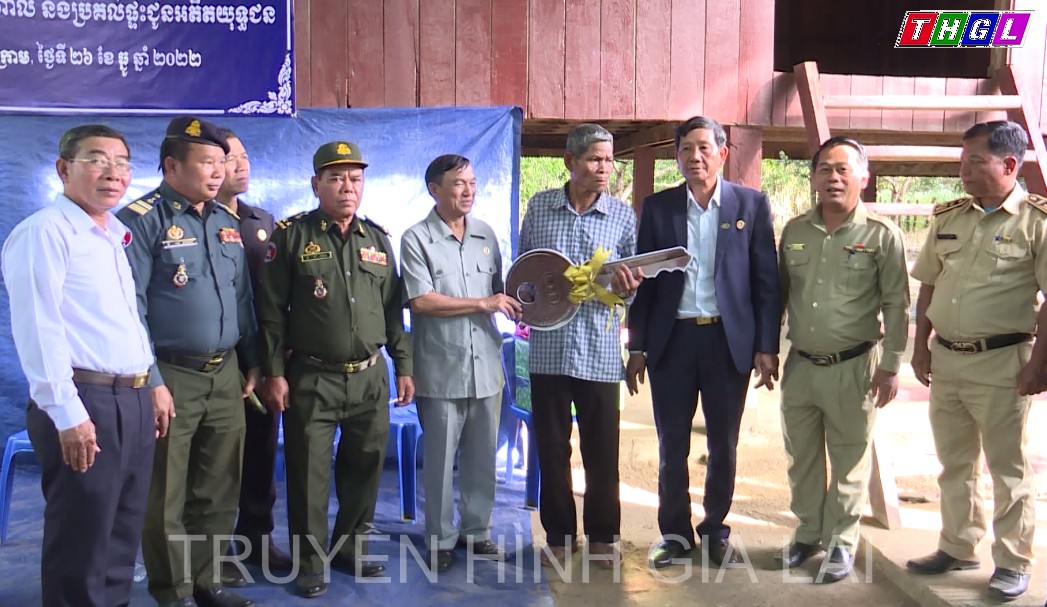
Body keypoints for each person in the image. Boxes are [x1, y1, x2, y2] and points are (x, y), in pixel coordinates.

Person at [2, 125, 154, 607]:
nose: (113, 173)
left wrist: (150, 384)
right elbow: (39, 330)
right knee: (81, 540)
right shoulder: (45, 233)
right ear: (64, 169)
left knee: (120, 535)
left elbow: (124, 322)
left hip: (131, 399)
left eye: (123, 162)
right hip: (84, 402)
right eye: (97, 160)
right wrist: (67, 415)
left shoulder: (113, 235)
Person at [256, 141, 414, 599]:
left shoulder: (378, 239)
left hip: (369, 375)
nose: (348, 187)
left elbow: (392, 314)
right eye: (336, 178)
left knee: (364, 469)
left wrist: (403, 366)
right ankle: (309, 564)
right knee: (309, 476)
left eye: (355, 178)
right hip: (312, 377)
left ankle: (350, 549)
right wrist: (273, 373)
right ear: (316, 184)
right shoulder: (291, 236)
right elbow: (271, 313)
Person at [626, 115, 781, 569]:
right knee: (671, 442)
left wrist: (766, 345)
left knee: (723, 443)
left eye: (704, 148)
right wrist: (637, 346)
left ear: (722, 153)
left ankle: (715, 530)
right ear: (676, 156)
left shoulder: (750, 206)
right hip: (671, 342)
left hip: (727, 342)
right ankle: (674, 535)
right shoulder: (659, 208)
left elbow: (765, 282)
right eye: (686, 150)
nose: (695, 157)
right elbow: (645, 283)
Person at [117, 116, 260, 607]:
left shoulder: (226, 223)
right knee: (167, 493)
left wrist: (252, 360)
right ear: (172, 164)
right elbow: (128, 307)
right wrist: (151, 379)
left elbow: (242, 299)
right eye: (206, 162)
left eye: (222, 163)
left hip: (225, 375)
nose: (218, 172)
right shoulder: (142, 220)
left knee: (219, 486)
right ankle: (172, 590)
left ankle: (207, 582)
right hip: (169, 374)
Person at [907, 120, 1044, 600]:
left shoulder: (1037, 222)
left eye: (975, 161)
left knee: (1007, 469)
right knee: (954, 462)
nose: (963, 170)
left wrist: (1038, 364)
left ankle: (1012, 560)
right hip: (948, 361)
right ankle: (959, 545)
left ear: (1010, 165)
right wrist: (921, 344)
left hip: (1003, 363)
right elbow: (928, 284)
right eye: (961, 160)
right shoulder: (948, 218)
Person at [776, 137, 909, 582]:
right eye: (825, 169)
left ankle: (841, 543)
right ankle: (808, 531)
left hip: (856, 367)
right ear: (814, 177)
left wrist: (890, 366)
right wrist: (767, 351)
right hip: (801, 364)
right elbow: (778, 296)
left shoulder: (881, 236)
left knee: (850, 458)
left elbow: (897, 305)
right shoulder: (795, 231)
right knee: (802, 457)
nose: (834, 178)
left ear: (863, 177)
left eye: (843, 170)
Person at [519, 123, 642, 569]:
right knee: (552, 446)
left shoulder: (623, 217)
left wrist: (627, 287)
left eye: (610, 160)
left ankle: (604, 535)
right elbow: (525, 273)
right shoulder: (540, 208)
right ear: (570, 162)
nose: (604, 168)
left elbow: (632, 288)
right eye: (594, 159)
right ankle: (559, 533)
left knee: (601, 449)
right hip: (549, 348)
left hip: (601, 349)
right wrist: (534, 296)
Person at [399, 154, 523, 573]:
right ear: (434, 189)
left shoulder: (486, 235)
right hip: (440, 367)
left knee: (482, 457)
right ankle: (438, 539)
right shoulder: (416, 239)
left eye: (472, 182)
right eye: (458, 184)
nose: (468, 190)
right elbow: (421, 300)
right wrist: (483, 303)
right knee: (439, 460)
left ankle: (477, 532)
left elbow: (502, 292)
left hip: (485, 366)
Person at [213, 128, 292, 583]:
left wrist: (274, 362)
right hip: (215, 364)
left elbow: (278, 298)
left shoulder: (264, 222)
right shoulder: (187, 222)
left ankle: (258, 540)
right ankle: (215, 548)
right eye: (229, 157)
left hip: (262, 363)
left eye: (244, 155)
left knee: (261, 455)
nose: (241, 164)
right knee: (217, 463)